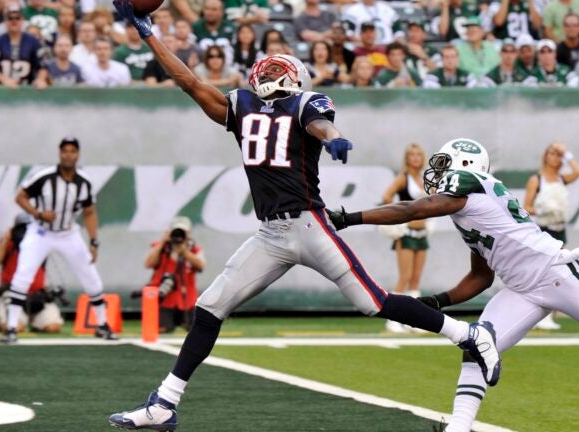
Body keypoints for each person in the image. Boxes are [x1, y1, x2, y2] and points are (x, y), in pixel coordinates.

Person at [108, 1, 501, 428]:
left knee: (372, 302)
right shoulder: (245, 106)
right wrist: (148, 34)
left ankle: (469, 334)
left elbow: (315, 123)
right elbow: (190, 82)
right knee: (210, 307)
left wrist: (333, 137)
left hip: (310, 225)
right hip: (272, 234)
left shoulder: (296, 105)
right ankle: (164, 403)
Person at [326, 138, 579, 432]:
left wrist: (349, 217)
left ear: (464, 167)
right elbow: (482, 275)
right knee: (478, 344)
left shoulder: (471, 182)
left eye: (445, 165)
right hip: (520, 288)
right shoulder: (468, 210)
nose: (437, 172)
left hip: (556, 272)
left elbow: (411, 209)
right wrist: (437, 301)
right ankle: (460, 426)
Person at [0, 137, 116, 344]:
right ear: (59, 153)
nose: (68, 154)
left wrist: (94, 241)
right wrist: (38, 213)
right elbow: (21, 196)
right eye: (65, 151)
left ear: (77, 154)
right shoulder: (45, 176)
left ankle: (102, 325)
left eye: (72, 151)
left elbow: (89, 212)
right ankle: (10, 328)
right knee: (22, 276)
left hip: (68, 233)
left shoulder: (84, 181)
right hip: (41, 232)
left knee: (90, 276)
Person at [522, 141, 579, 330]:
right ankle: (537, 315)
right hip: (543, 229)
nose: (556, 157)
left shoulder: (563, 179)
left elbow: (577, 173)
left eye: (558, 155)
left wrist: (567, 153)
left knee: (559, 272)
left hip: (559, 229)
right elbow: (526, 206)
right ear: (545, 156)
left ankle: (550, 315)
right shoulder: (536, 180)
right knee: (541, 272)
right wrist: (542, 210)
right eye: (552, 153)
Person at [379, 144, 430, 333]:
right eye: (412, 155)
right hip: (406, 233)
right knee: (405, 277)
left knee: (416, 279)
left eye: (419, 155)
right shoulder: (403, 178)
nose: (416, 158)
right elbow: (386, 196)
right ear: (407, 158)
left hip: (422, 233)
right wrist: (398, 217)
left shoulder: (425, 179)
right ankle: (392, 319)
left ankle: (413, 320)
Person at [0, 214, 65, 334]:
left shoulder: (40, 240)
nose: (23, 232)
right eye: (21, 228)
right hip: (12, 292)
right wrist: (7, 238)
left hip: (37, 294)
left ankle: (34, 322)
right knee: (15, 328)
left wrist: (42, 235)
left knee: (53, 327)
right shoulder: (9, 242)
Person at [145, 217, 205, 333]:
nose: (178, 236)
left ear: (189, 234)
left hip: (188, 298)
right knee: (163, 328)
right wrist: (162, 242)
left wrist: (184, 252)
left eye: (182, 232)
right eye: (176, 232)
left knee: (195, 328)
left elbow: (201, 265)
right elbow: (148, 263)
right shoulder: (161, 247)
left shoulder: (193, 248)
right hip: (165, 298)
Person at [0, 5, 45, 88]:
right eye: (10, 18)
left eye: (17, 18)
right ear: (5, 21)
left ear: (22, 20)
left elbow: (42, 65)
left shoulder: (33, 41)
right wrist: (4, 80)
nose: (14, 21)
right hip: (2, 91)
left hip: (27, 91)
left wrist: (40, 79)